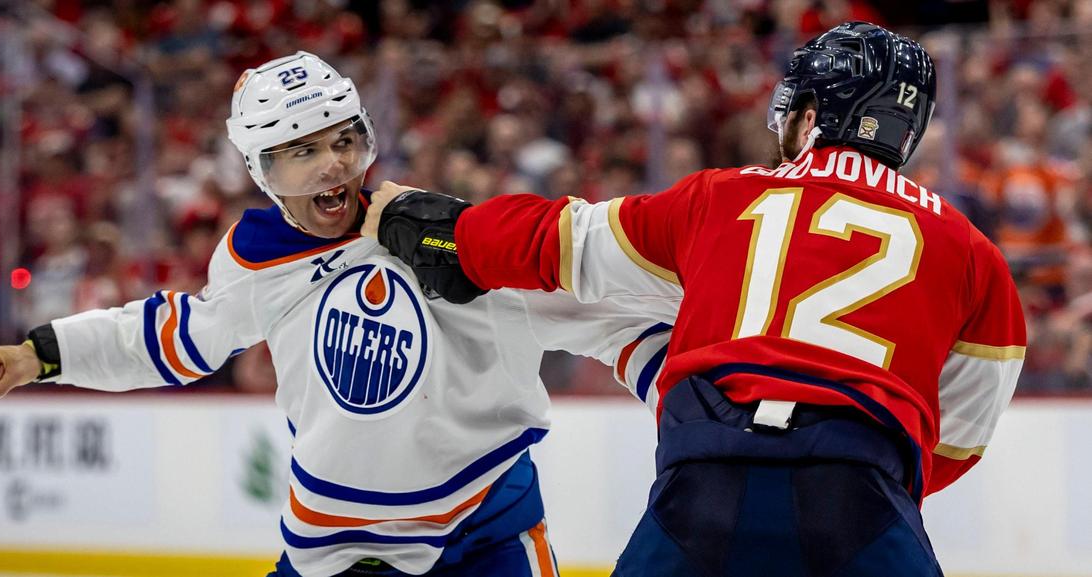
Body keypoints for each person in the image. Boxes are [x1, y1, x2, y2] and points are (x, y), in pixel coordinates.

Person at [0, 51, 679, 577]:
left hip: (487, 533)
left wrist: (687, 398)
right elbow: (173, 336)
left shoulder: (444, 236)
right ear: (260, 172)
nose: (331, 165)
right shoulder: (255, 260)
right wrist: (44, 352)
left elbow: (601, 317)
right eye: (300, 152)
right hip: (334, 550)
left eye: (343, 140)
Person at [364, 23, 1026, 576]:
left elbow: (560, 245)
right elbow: (956, 443)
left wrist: (447, 234)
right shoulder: (974, 255)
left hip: (705, 486)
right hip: (860, 501)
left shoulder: (719, 197)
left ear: (812, 116)